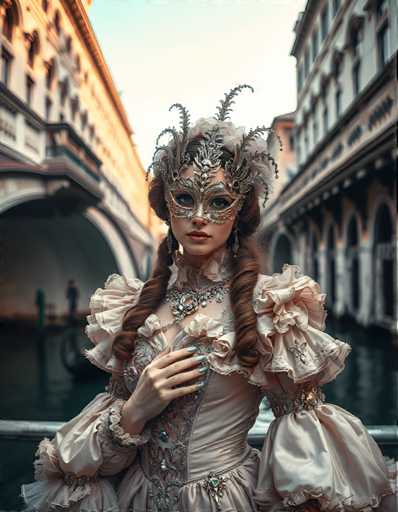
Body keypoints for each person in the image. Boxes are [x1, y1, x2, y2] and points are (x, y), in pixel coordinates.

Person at [21, 85, 396, 512]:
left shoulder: (270, 309)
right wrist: (134, 411)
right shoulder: (131, 307)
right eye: (185, 199)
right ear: (166, 203)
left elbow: (305, 446)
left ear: (239, 212)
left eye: (218, 202)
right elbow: (100, 460)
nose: (199, 217)